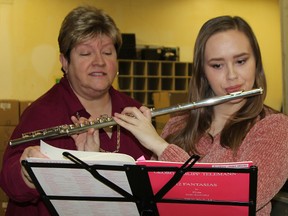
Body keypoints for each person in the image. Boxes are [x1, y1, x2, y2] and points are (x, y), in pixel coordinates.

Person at [113, 16, 288, 215]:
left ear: (256, 62)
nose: (232, 75)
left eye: (240, 61)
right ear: (203, 72)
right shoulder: (177, 125)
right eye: (217, 65)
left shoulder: (275, 127)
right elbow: (150, 202)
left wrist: (161, 147)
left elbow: (235, 202)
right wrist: (92, 155)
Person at [0, 6, 151, 215]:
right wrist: (25, 172)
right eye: (86, 53)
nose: (99, 61)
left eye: (107, 52)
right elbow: (9, 181)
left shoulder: (133, 111)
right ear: (64, 62)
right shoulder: (41, 113)